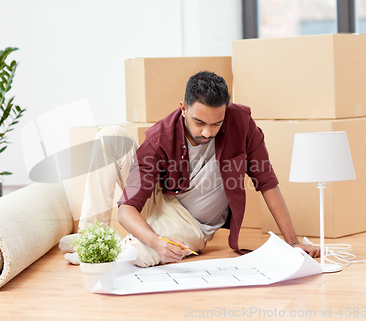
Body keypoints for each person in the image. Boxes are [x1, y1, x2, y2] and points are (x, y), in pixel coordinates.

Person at [61, 71, 320, 267]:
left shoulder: (242, 125)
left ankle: (111, 248)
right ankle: (90, 238)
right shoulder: (159, 138)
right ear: (183, 108)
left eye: (216, 124)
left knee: (153, 252)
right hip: (159, 199)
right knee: (110, 135)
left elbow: (267, 182)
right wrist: (155, 240)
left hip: (190, 225)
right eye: (199, 122)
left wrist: (294, 242)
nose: (207, 132)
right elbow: (128, 208)